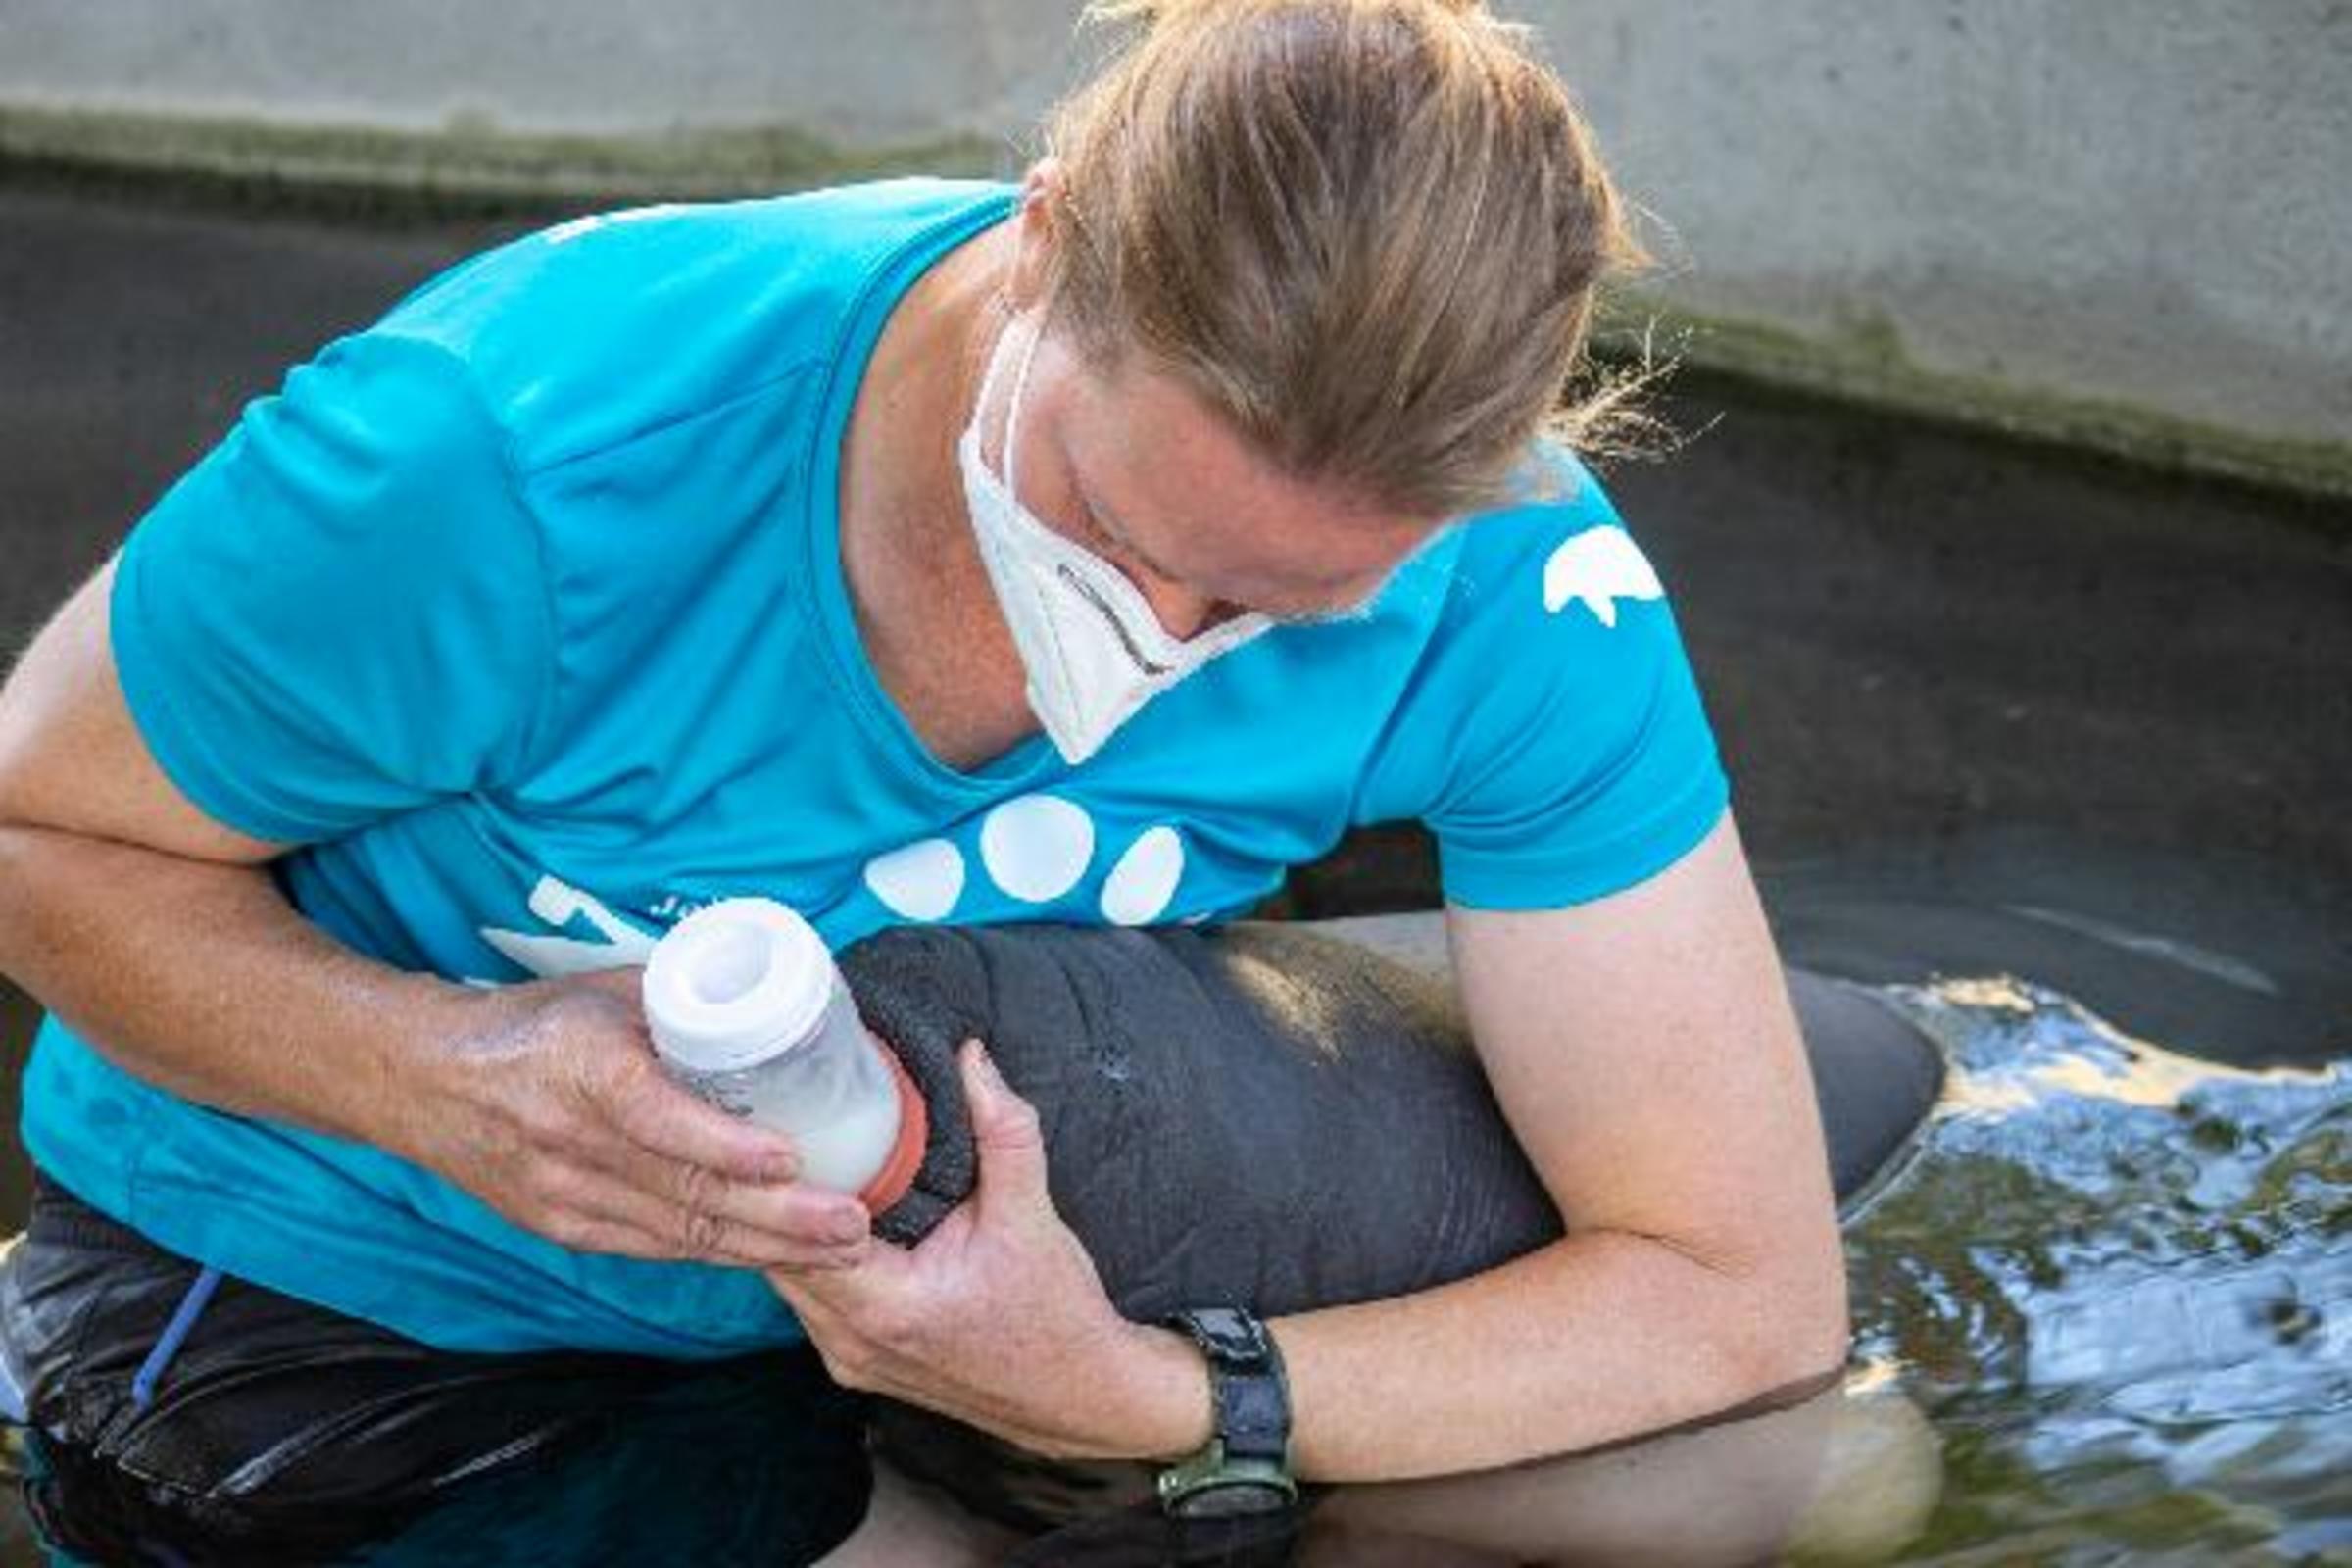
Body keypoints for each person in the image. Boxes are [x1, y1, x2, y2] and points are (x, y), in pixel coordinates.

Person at [0, 0, 1849, 1555]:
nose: (1160, 638)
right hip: (358, 1296)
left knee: (1763, 1483)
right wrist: (451, 1078)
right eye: (1121, 525)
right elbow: (32, 829)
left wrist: (1166, 1394)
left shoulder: (1513, 574)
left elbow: (1732, 1294)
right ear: (1044, 251)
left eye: (1287, 610)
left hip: (997, 1287)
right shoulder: (505, 457)